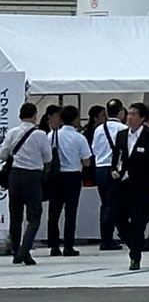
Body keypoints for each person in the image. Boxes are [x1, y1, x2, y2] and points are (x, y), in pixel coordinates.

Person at [110, 103, 149, 271]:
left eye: (133, 114)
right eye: (129, 113)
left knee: (137, 220)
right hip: (123, 183)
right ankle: (134, 243)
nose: (129, 117)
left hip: (142, 185)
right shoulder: (121, 135)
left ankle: (135, 256)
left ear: (142, 118)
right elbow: (116, 156)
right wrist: (114, 170)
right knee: (118, 217)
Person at [3, 102, 52, 264]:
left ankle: (16, 251)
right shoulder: (40, 135)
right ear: (35, 115)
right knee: (34, 215)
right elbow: (48, 157)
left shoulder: (12, 133)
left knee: (15, 215)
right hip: (33, 176)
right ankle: (25, 250)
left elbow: (2, 154)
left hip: (15, 175)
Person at [47, 106, 88, 257]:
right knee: (70, 213)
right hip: (73, 176)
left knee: (54, 212)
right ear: (75, 119)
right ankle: (68, 245)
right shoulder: (79, 138)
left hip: (56, 177)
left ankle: (54, 245)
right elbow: (87, 161)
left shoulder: (52, 135)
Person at [90, 101, 126, 251]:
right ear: (121, 112)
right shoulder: (123, 129)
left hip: (99, 169)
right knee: (113, 205)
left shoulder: (99, 129)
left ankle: (106, 236)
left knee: (105, 204)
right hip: (114, 169)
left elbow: (94, 149)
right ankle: (107, 239)